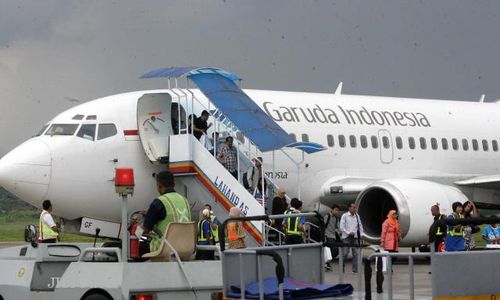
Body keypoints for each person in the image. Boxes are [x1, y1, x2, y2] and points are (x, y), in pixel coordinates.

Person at [141, 171, 192, 255]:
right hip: (184, 248)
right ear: (174, 185)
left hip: (164, 248)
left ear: (159, 185)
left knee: (140, 245)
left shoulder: (158, 202)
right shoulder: (185, 201)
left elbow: (145, 230)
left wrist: (136, 232)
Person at [339, 202, 364, 273]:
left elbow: (360, 225)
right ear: (349, 208)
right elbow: (341, 227)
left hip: (355, 237)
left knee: (356, 253)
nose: (354, 209)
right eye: (353, 207)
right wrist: (348, 232)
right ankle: (342, 267)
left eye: (355, 207)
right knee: (345, 253)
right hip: (346, 237)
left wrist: (361, 234)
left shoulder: (357, 216)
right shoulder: (344, 216)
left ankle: (355, 269)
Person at [324, 204, 341, 271]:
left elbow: (339, 227)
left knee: (333, 250)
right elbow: (324, 226)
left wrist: (341, 233)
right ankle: (327, 263)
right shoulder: (327, 216)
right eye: (336, 210)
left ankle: (327, 263)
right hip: (327, 236)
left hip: (333, 236)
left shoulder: (336, 218)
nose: (337, 212)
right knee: (331, 250)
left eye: (338, 211)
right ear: (332, 209)